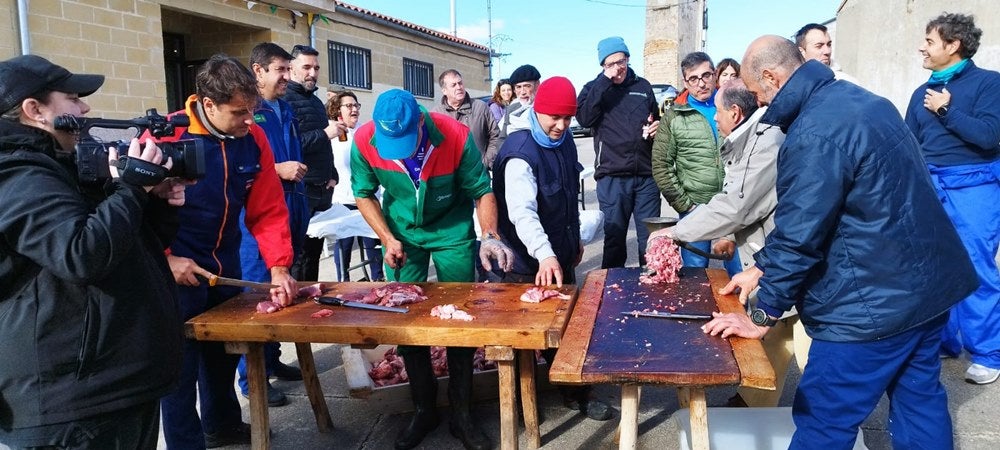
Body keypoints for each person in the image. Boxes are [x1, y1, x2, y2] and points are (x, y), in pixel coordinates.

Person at [704, 35, 978, 449]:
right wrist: (761, 266)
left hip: (869, 309)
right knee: (920, 403)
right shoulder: (864, 101)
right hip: (926, 292)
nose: (761, 105)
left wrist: (762, 316)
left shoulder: (813, 132)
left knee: (823, 422)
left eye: (760, 95)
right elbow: (836, 210)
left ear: (771, 77)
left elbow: (801, 233)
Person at [0, 54, 185, 449]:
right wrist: (132, 189)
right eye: (72, 97)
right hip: (72, 402)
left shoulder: (59, 165)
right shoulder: (18, 174)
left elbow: (122, 245)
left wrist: (155, 202)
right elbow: (81, 253)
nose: (85, 108)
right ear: (35, 110)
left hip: (109, 386)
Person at [353, 89, 513, 450]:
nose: (403, 149)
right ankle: (424, 409)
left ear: (421, 122)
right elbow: (363, 193)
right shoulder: (365, 139)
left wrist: (489, 235)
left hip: (451, 230)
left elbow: (481, 190)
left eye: (407, 142)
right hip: (401, 233)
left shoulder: (454, 136)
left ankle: (462, 414)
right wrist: (387, 238)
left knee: (461, 318)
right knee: (404, 318)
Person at [158, 54, 297, 449]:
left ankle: (221, 424)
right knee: (180, 367)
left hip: (224, 259)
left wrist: (279, 266)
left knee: (220, 353)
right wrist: (165, 258)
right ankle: (185, 442)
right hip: (176, 265)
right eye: (239, 113)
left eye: (252, 110)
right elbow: (133, 212)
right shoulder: (167, 135)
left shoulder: (253, 139)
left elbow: (268, 207)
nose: (249, 121)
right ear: (208, 104)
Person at [654, 79, 803, 408]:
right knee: (776, 333)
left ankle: (825, 426)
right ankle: (750, 405)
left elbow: (737, 205)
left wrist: (676, 232)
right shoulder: (749, 138)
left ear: (735, 113)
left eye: (718, 113)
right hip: (775, 259)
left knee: (812, 351)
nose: (715, 120)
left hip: (795, 261)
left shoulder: (765, 143)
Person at [493, 76, 614, 421]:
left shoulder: (565, 143)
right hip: (523, 258)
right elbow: (521, 212)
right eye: (553, 118)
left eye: (567, 118)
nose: (561, 126)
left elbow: (568, 196)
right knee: (523, 334)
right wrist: (544, 253)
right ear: (538, 110)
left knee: (566, 328)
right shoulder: (519, 153)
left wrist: (573, 238)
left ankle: (576, 393)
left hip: (559, 254)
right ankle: (518, 402)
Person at [904, 13, 1000, 385]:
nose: (922, 48)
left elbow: (990, 136)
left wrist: (946, 110)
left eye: (929, 41)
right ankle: (943, 341)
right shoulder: (918, 93)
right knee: (932, 268)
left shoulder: (989, 84)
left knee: (976, 268)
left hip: (974, 187)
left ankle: (988, 353)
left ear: (953, 45)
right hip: (930, 187)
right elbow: (910, 145)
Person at [234, 43, 310, 408]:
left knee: (283, 284)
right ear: (258, 70)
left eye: (288, 69)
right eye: (280, 69)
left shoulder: (286, 108)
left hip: (290, 205)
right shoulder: (249, 113)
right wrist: (276, 170)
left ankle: (273, 358)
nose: (287, 76)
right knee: (257, 291)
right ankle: (252, 378)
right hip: (257, 215)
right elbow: (244, 167)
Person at [576, 36, 661, 269]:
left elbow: (656, 117)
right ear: (603, 66)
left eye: (621, 61)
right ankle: (612, 291)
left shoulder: (643, 87)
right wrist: (604, 82)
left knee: (652, 240)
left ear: (628, 59)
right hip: (612, 176)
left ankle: (653, 288)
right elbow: (584, 118)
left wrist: (657, 127)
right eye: (610, 64)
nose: (617, 68)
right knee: (614, 240)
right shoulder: (593, 88)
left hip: (646, 176)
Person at [652, 51, 740, 274]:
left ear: (714, 74)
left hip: (732, 206)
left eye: (706, 75)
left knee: (738, 270)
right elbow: (661, 165)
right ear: (685, 82)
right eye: (694, 78)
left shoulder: (731, 108)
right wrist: (685, 205)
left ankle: (741, 309)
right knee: (695, 275)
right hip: (695, 209)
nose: (701, 83)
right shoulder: (674, 117)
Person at [283, 44, 342, 283]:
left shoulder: (316, 102)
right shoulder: (286, 100)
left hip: (322, 188)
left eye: (316, 67)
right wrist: (325, 134)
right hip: (301, 189)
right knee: (298, 254)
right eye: (306, 67)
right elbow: (291, 145)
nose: (313, 73)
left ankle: (311, 299)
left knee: (314, 253)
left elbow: (322, 145)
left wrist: (333, 173)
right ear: (292, 68)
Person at [327, 90, 384, 282]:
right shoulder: (331, 132)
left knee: (373, 243)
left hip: (368, 198)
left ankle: (378, 279)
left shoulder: (366, 131)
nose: (354, 110)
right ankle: (343, 281)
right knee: (343, 246)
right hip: (343, 200)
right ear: (337, 111)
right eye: (349, 106)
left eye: (356, 105)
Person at [434, 68, 500, 167]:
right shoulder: (436, 115)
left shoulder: (480, 108)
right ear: (444, 90)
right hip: (449, 177)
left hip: (477, 176)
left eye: (460, 83)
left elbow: (496, 136)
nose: (459, 87)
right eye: (453, 85)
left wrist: (486, 162)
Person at [794, 23, 861, 84]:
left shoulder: (848, 83)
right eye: (819, 46)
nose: (827, 51)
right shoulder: (792, 85)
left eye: (829, 45)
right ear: (801, 51)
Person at [500, 64, 541, 138]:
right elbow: (502, 138)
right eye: (518, 87)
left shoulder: (545, 108)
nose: (523, 92)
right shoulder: (511, 109)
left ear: (537, 85)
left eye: (527, 86)